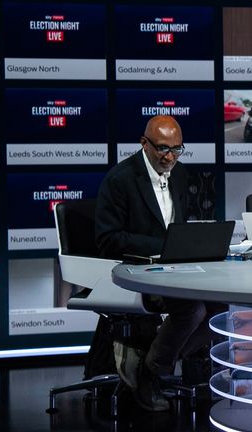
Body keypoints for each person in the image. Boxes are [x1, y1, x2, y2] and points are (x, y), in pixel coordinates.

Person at [95, 115, 221, 411]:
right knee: (192, 309)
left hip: (175, 271)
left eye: (177, 149)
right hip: (134, 273)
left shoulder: (180, 174)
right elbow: (108, 240)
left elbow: (178, 229)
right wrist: (162, 248)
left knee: (220, 310)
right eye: (163, 149)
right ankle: (153, 374)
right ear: (144, 144)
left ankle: (150, 360)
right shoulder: (120, 179)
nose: (170, 157)